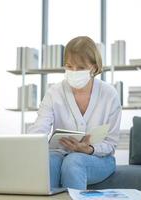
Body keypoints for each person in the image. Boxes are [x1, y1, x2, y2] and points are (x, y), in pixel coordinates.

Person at [27, 36, 122, 190]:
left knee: (73, 162)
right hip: (59, 153)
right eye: (69, 66)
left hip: (98, 158)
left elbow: (110, 143)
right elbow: (40, 128)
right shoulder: (54, 92)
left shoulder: (109, 95)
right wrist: (30, 145)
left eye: (80, 67)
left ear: (93, 67)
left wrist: (89, 149)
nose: (73, 72)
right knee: (48, 163)